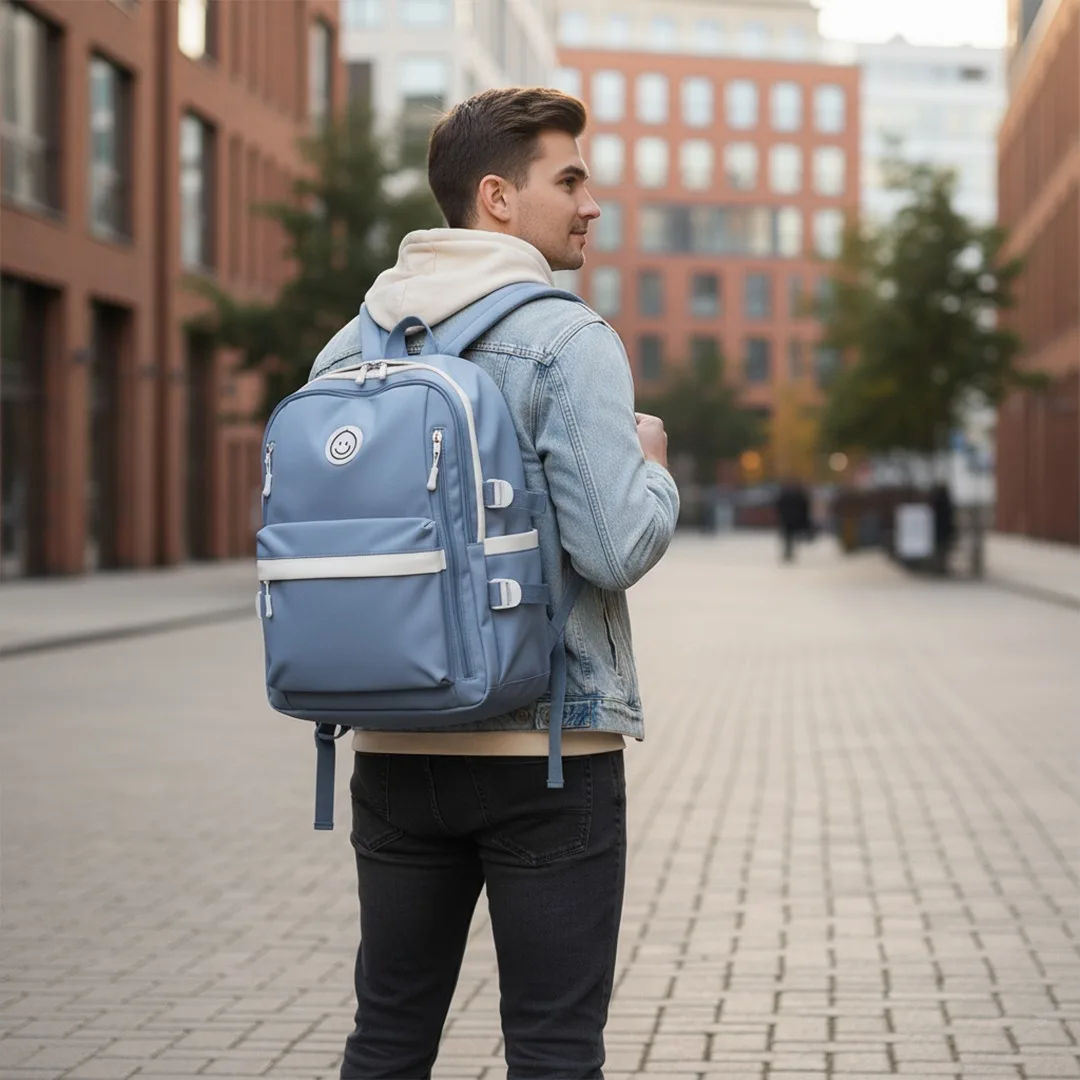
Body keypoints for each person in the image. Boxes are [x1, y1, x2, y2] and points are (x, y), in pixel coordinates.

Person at [308, 88, 680, 1079]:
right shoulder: (567, 338)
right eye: (569, 179)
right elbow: (614, 549)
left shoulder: (349, 350)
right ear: (497, 199)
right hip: (547, 752)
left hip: (392, 744)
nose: (591, 202)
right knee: (553, 1045)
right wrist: (654, 466)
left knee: (387, 1035)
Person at [776, 480, 811, 562]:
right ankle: (789, 551)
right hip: (792, 519)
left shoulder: (787, 496)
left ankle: (788, 551)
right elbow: (804, 507)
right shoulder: (798, 496)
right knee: (790, 536)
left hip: (788, 519)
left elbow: (779, 506)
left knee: (788, 536)